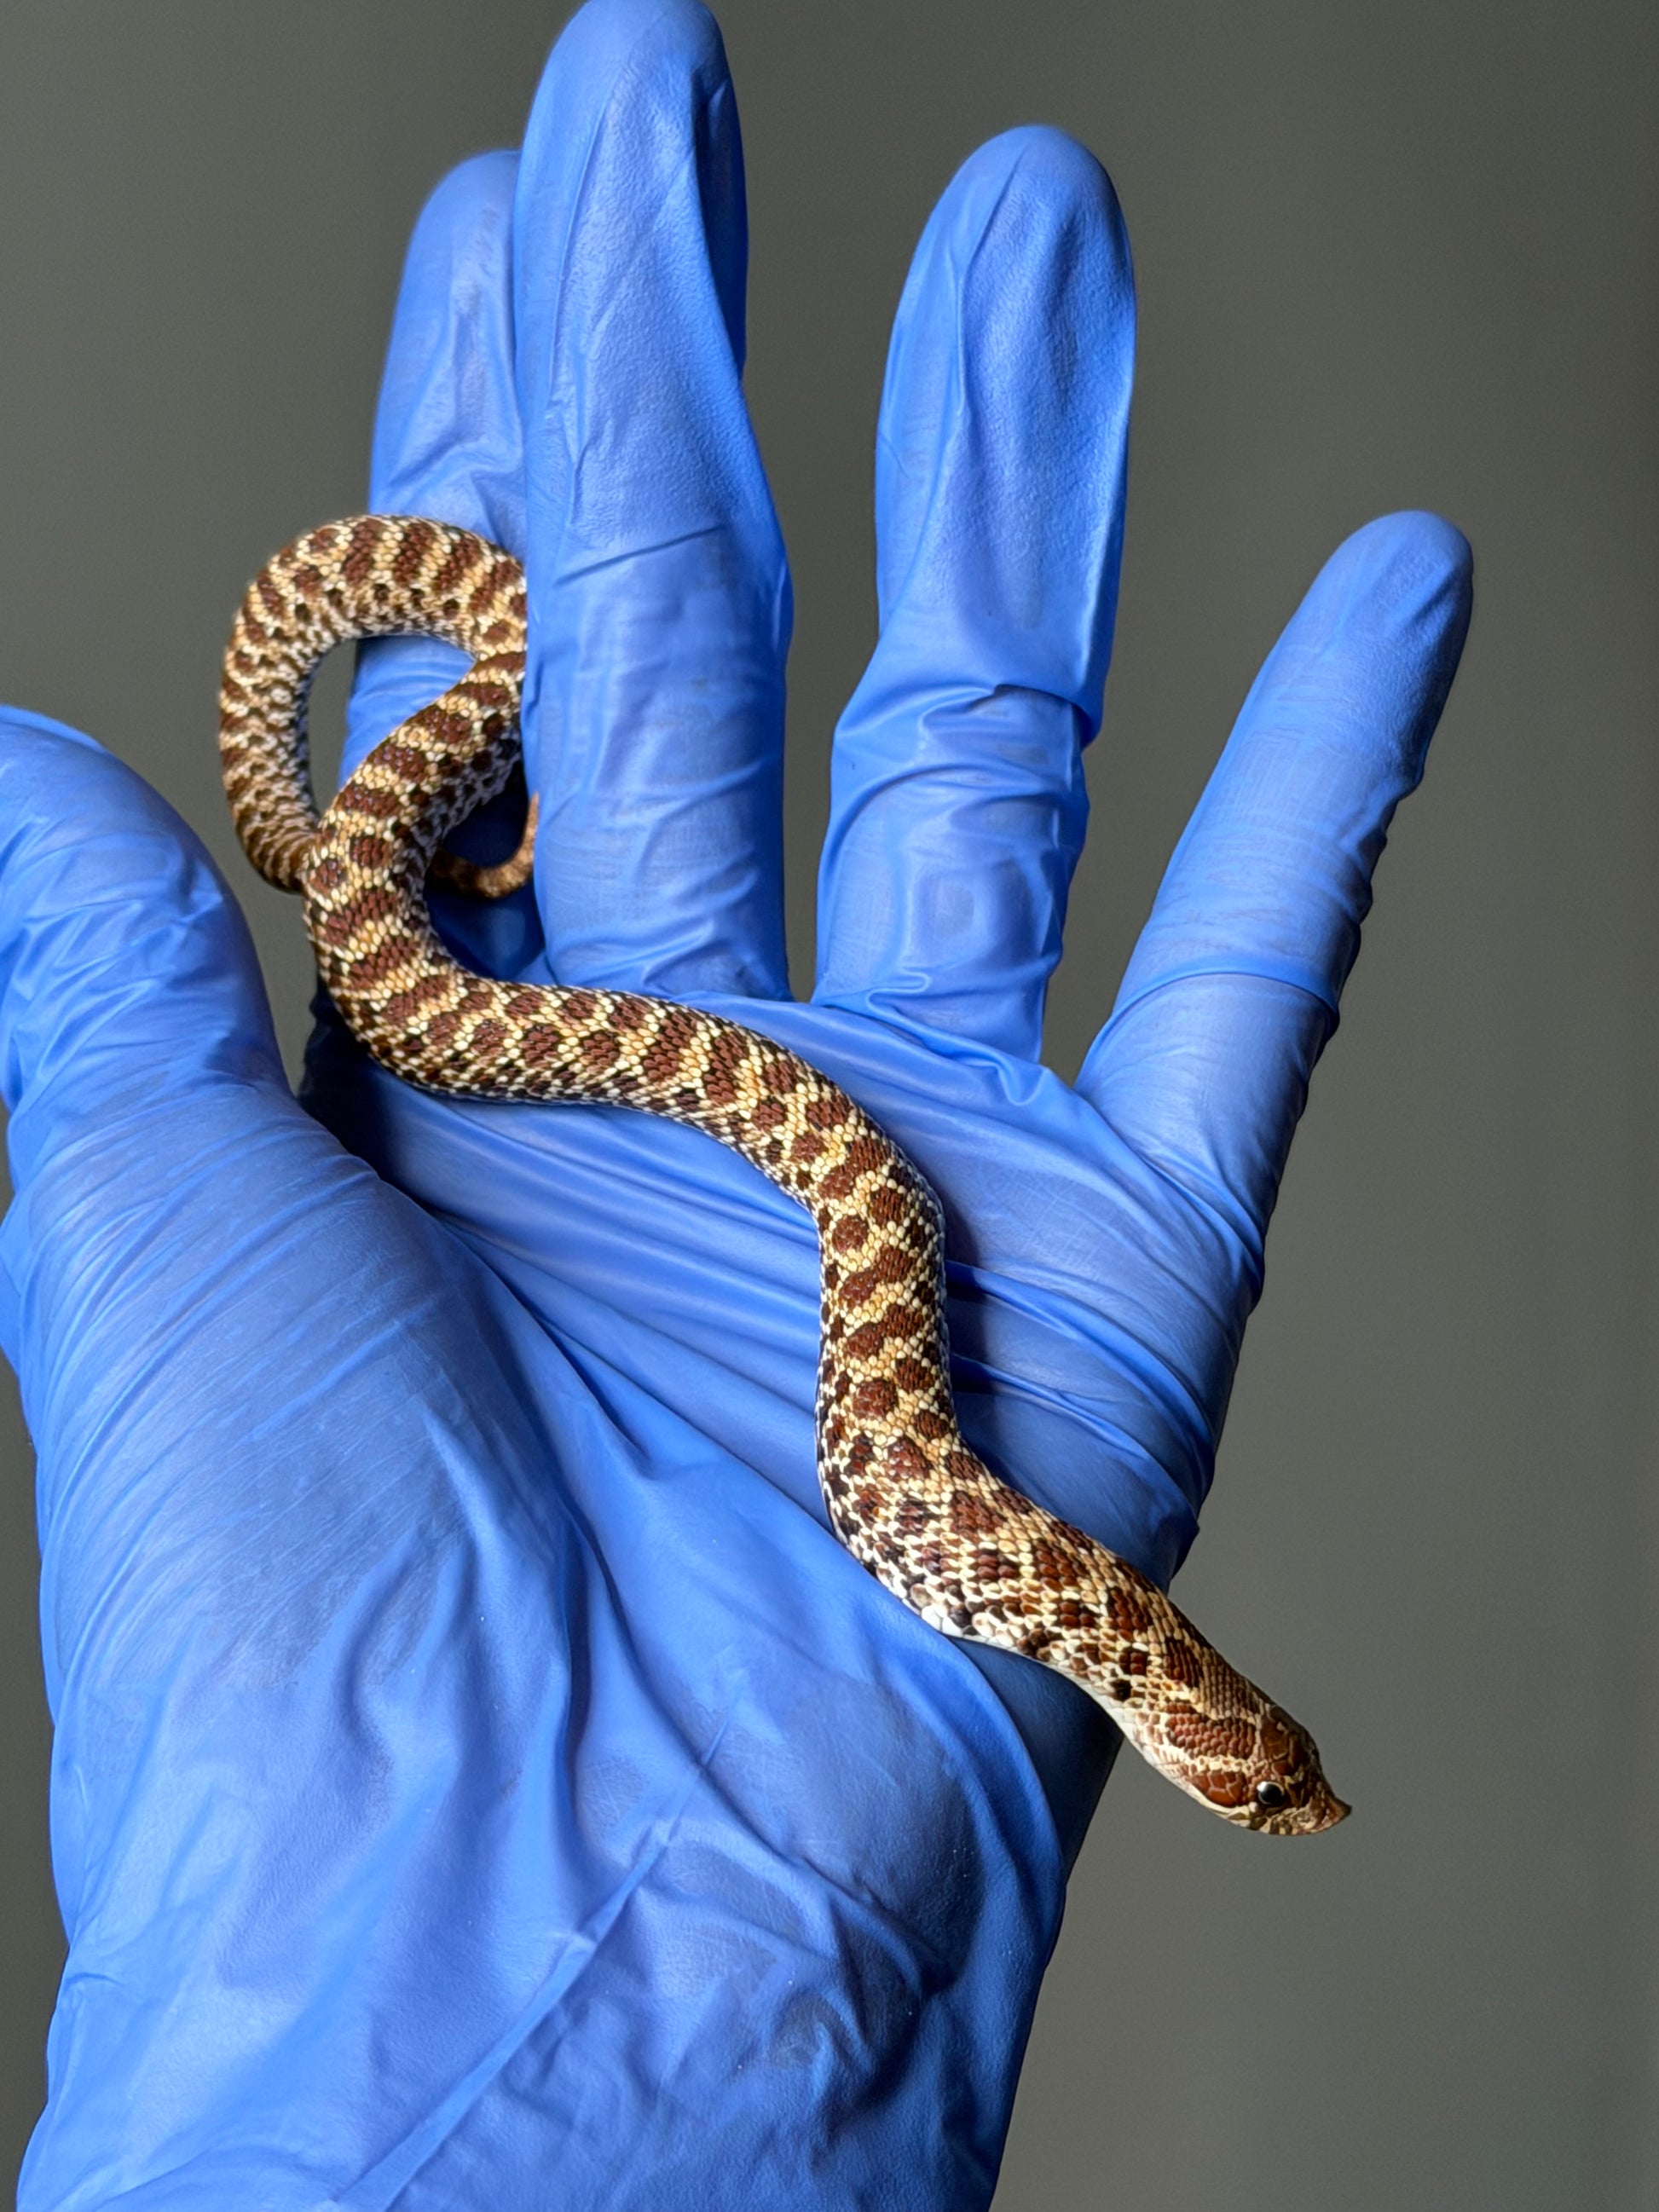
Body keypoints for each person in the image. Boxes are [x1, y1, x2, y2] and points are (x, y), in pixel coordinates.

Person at [1, 1, 1471, 2203]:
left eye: (1262, 1782)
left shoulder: (1040, 1588)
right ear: (1191, 1726)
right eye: (1259, 1780)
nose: (1278, 1798)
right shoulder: (1068, 1607)